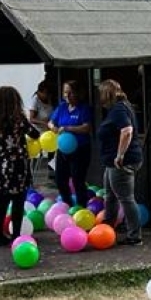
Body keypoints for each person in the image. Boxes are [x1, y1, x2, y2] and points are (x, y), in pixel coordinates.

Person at [0, 85, 38, 248]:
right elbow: (34, 134)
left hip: (0, 165)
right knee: (18, 202)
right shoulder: (19, 120)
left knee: (2, 202)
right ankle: (16, 235)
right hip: (17, 166)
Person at [97, 78, 143, 245]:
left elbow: (127, 130)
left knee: (126, 198)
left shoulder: (118, 109)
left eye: (101, 94)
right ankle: (108, 228)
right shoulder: (122, 106)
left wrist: (120, 155)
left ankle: (134, 236)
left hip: (121, 162)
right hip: (113, 162)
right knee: (110, 196)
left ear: (106, 94)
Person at [49, 79, 93, 207]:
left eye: (70, 92)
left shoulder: (83, 108)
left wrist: (68, 128)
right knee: (59, 179)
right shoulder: (62, 107)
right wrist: (53, 127)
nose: (67, 96)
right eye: (65, 92)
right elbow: (51, 122)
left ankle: (81, 206)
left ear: (78, 93)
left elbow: (87, 127)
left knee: (77, 179)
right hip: (62, 149)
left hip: (80, 149)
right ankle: (67, 204)